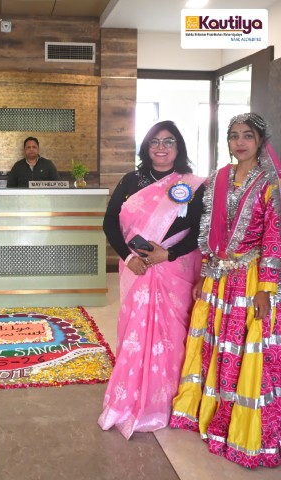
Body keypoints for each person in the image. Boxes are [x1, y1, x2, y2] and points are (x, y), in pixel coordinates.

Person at [170, 113, 281, 469]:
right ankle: (208, 411)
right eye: (234, 136)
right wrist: (203, 274)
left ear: (260, 140)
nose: (240, 142)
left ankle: (238, 427)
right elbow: (208, 232)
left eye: (247, 135)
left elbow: (274, 239)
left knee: (244, 348)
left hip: (250, 278)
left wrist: (266, 289)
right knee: (214, 343)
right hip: (218, 276)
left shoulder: (271, 184)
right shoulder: (219, 179)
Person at [98, 120, 206, 439]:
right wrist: (129, 257)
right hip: (138, 269)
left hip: (175, 270)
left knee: (173, 335)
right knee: (135, 330)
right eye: (155, 142)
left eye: (168, 141)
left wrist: (168, 255)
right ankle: (130, 397)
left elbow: (200, 231)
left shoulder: (192, 184)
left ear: (178, 147)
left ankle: (168, 400)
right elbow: (109, 222)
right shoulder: (131, 180)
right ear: (146, 147)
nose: (161, 148)